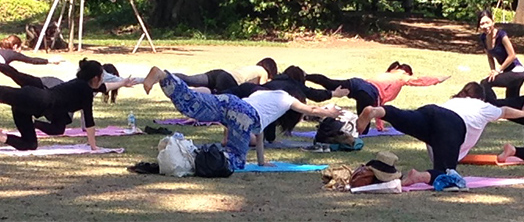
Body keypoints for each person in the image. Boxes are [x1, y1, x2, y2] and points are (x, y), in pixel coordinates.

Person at [141, 67, 342, 171]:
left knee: (191, 104)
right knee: (236, 160)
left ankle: (164, 76)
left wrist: (262, 163)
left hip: (233, 102)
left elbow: (259, 136)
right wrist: (329, 112)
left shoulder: (264, 94)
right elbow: (312, 109)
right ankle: (199, 159)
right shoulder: (288, 100)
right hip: (243, 113)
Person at [355, 81, 524, 187]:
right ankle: (418, 177)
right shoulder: (483, 106)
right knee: (447, 175)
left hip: (432, 112)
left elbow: (437, 144)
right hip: (452, 125)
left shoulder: (453, 100)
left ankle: (377, 111)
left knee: (403, 117)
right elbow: (504, 111)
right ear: (480, 97)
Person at [0, 58, 123, 151]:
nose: (103, 81)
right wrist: (93, 147)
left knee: (30, 144)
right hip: (35, 99)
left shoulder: (81, 86)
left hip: (30, 106)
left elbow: (104, 88)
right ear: (95, 78)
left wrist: (125, 82)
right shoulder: (84, 90)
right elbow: (89, 122)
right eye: (102, 77)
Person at [305, 61, 449, 133]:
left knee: (330, 83)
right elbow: (421, 81)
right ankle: (332, 121)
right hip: (368, 93)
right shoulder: (402, 76)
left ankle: (305, 76)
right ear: (407, 72)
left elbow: (379, 104)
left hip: (358, 83)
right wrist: (438, 79)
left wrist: (380, 125)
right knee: (363, 129)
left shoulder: (387, 73)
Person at [477, 9, 524, 100]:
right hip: (507, 72)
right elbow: (490, 57)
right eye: (482, 24)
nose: (485, 26)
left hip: (517, 72)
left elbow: (512, 55)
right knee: (511, 101)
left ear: (493, 22)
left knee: (485, 83)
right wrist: (492, 70)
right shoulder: (483, 38)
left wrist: (498, 70)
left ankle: (494, 105)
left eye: (487, 22)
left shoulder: (501, 35)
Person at [172, 58, 278, 94]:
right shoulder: (263, 72)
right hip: (229, 80)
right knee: (217, 98)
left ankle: (166, 75)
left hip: (219, 73)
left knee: (191, 79)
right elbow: (262, 90)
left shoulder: (252, 68)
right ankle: (193, 94)